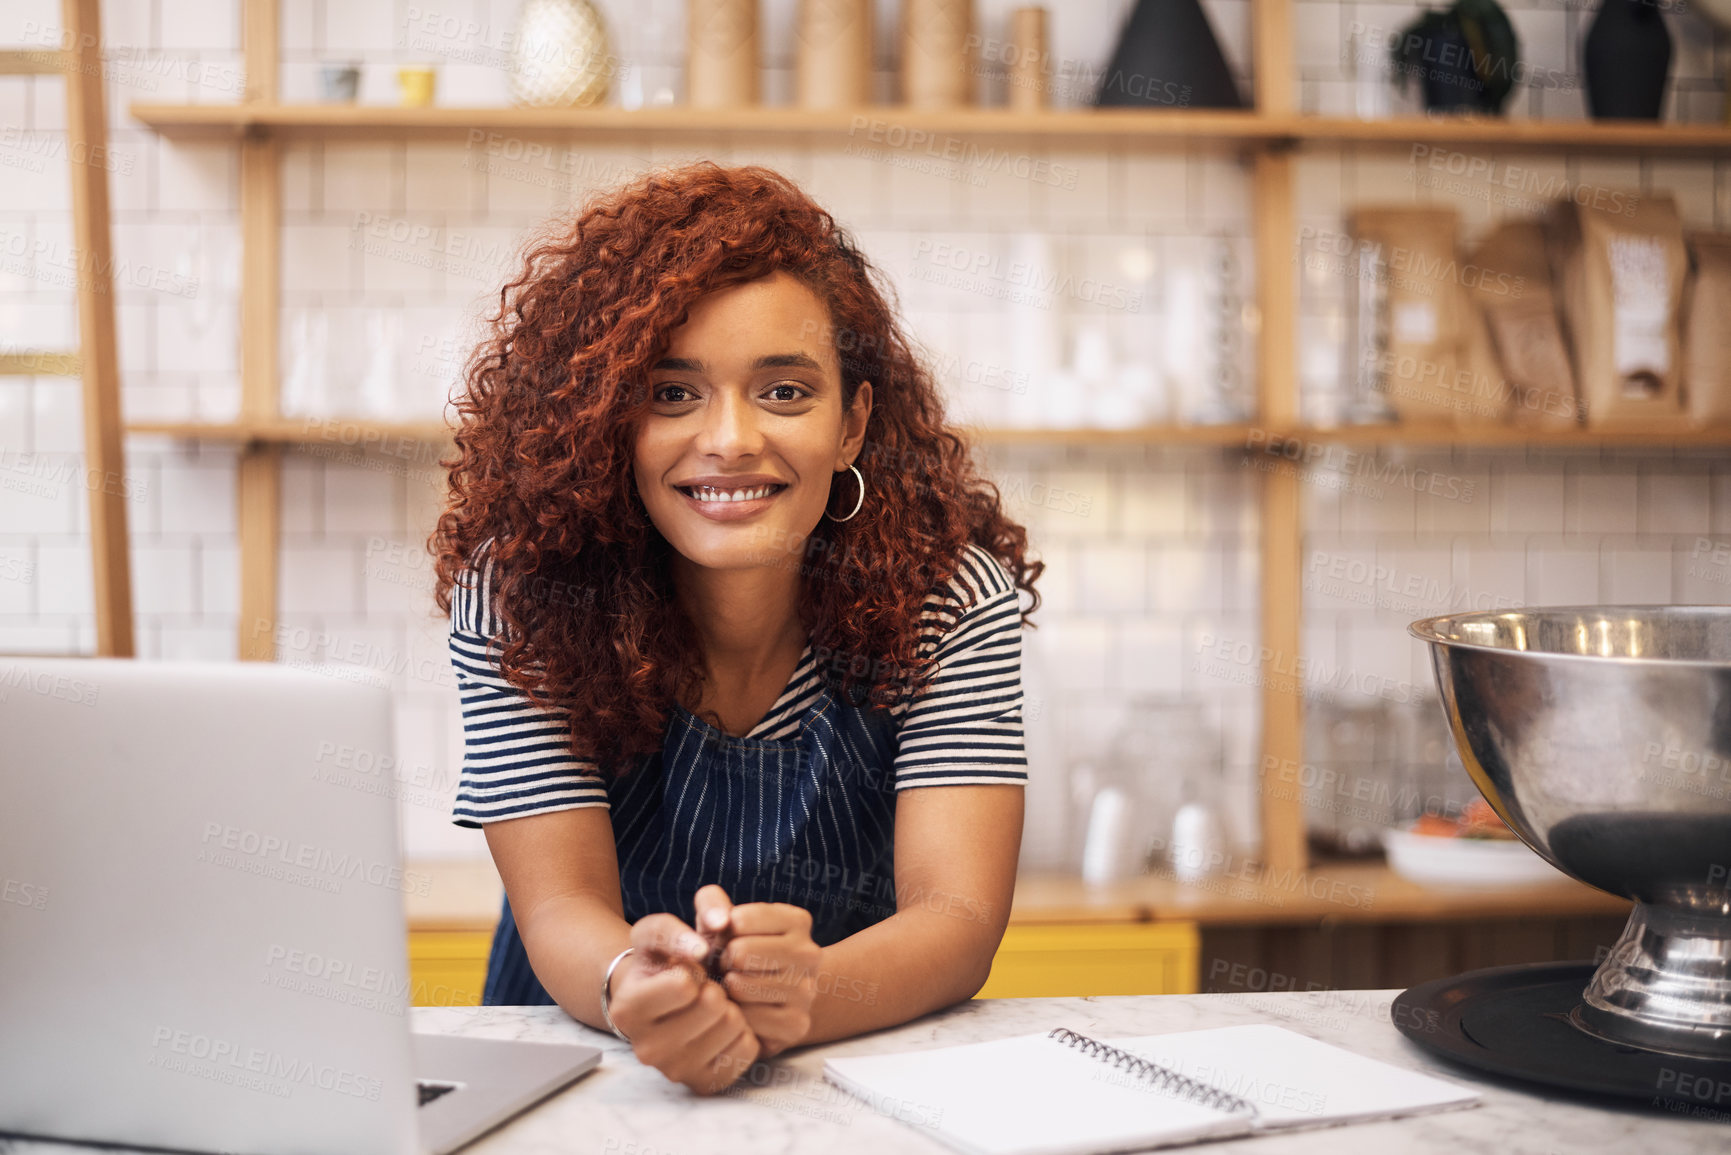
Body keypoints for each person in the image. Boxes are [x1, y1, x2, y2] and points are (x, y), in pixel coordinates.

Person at [431, 161, 1043, 1094]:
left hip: (844, 1062)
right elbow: (562, 904)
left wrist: (812, 992)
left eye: (785, 392)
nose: (730, 439)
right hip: (580, 1060)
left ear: (850, 425)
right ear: (606, 421)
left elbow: (956, 916)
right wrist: (631, 983)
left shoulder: (949, 596)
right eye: (672, 393)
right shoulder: (522, 598)